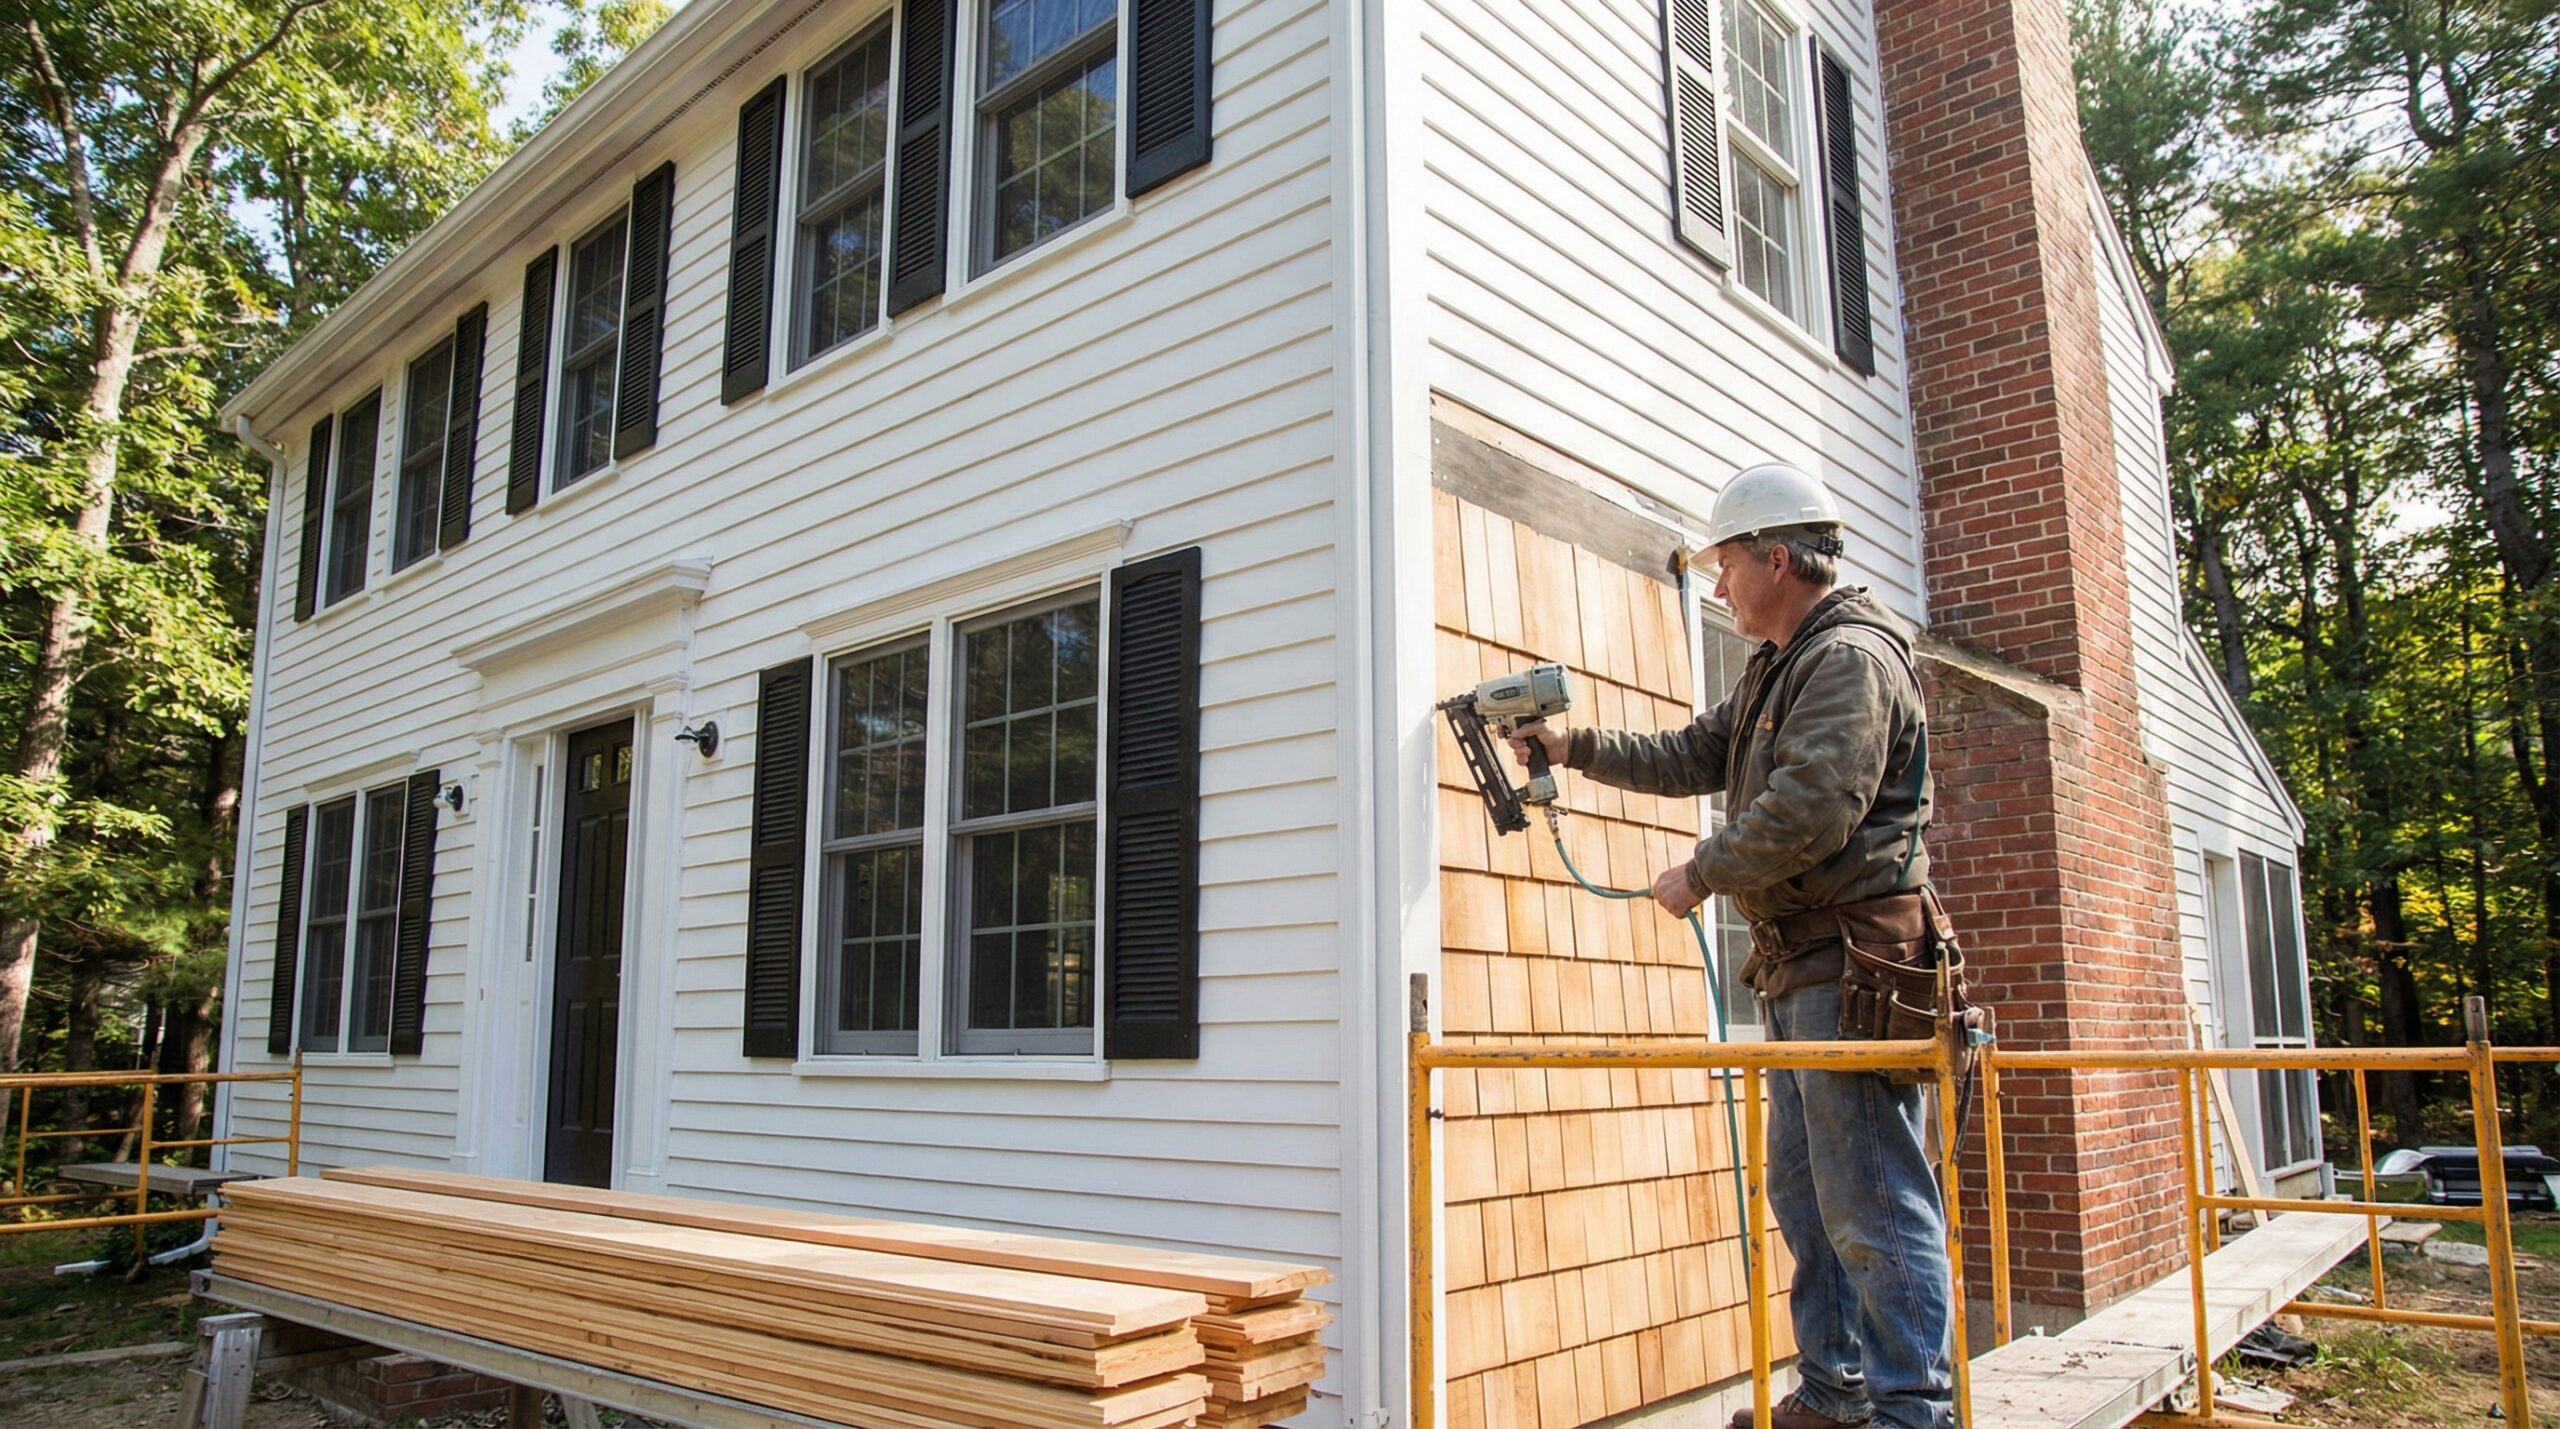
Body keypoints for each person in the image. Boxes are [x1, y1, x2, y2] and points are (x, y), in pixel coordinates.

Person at [1507, 462, 1954, 1429]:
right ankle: (1837, 1395)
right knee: (1807, 1194)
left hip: (1854, 966)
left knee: (1872, 1199)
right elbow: (1689, 754)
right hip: (1801, 970)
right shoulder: (1777, 668)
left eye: (1725, 567)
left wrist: (1700, 872)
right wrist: (1572, 747)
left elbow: (1812, 810)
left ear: (1776, 558)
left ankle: (1917, 1411)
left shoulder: (1850, 660)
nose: (1718, 586)